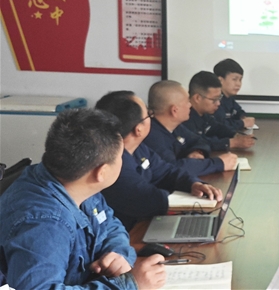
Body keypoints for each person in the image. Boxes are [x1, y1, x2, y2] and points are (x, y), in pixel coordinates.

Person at [0, 108, 166, 289]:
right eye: (120, 157)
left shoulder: (75, 182)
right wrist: (129, 285)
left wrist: (117, 252)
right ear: (102, 172)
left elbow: (111, 225)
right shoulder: (44, 223)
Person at [97, 91, 223, 230]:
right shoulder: (112, 163)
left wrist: (193, 184)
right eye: (149, 115)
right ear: (138, 129)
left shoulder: (139, 148)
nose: (152, 119)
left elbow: (167, 172)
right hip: (130, 232)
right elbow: (150, 200)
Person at [144, 80, 238, 177]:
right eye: (188, 102)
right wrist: (218, 163)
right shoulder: (152, 136)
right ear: (174, 110)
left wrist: (197, 151)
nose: (190, 105)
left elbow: (199, 140)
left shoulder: (176, 127)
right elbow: (172, 169)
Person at [183, 71, 256, 152]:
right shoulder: (184, 117)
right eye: (214, 99)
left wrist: (235, 134)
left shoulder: (204, 114)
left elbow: (218, 128)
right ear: (197, 98)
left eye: (219, 98)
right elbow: (196, 142)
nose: (218, 103)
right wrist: (232, 143)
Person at [213, 58, 256, 132]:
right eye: (234, 79)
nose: (238, 84)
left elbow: (239, 111)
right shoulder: (215, 100)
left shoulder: (229, 98)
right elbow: (222, 125)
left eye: (240, 80)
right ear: (220, 80)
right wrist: (243, 123)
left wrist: (243, 117)